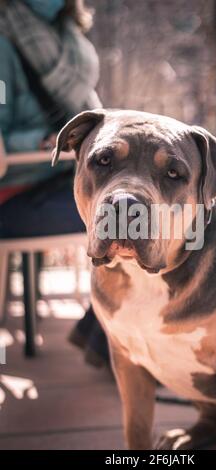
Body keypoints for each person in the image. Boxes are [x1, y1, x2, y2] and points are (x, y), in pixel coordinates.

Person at [0, 0, 110, 368]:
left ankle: (103, 335)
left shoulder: (68, 33)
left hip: (62, 176)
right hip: (15, 195)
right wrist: (47, 141)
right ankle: (110, 342)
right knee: (127, 216)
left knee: (137, 203)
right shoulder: (3, 38)